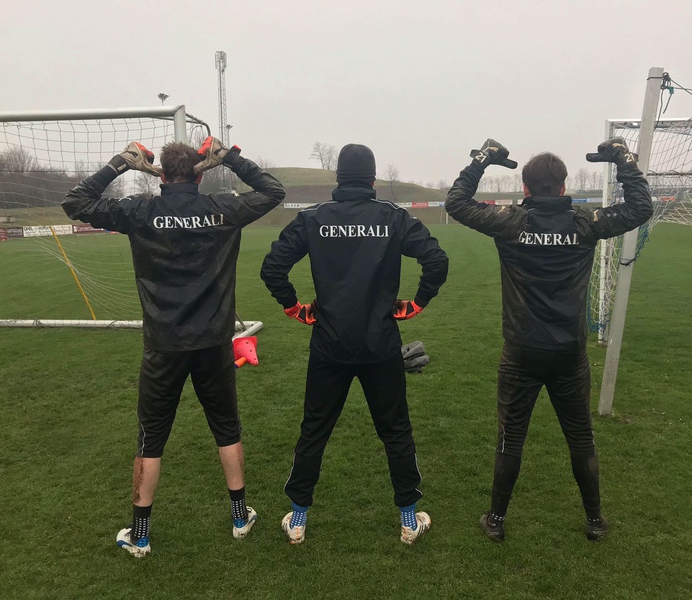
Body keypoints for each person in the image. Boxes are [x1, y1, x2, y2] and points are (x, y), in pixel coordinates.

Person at [62, 137, 286, 556]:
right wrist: (230, 158)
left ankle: (140, 536)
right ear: (199, 174)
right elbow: (274, 191)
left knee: (151, 439)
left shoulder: (141, 210)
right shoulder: (221, 208)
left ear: (161, 175)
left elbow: (75, 202)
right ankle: (240, 518)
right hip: (214, 342)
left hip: (163, 345)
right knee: (227, 428)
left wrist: (122, 163)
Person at [445, 137, 653, 542]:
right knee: (581, 438)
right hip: (568, 353)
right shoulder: (584, 223)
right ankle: (595, 521)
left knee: (510, 438)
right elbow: (640, 207)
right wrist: (623, 159)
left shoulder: (510, 221)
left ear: (525, 188)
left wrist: (482, 161)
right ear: (563, 187)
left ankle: (496, 521)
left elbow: (456, 202)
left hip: (521, 351)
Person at [260, 143, 449, 545]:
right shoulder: (393, 218)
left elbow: (272, 266)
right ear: (373, 180)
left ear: (338, 178)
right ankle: (409, 521)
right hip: (380, 345)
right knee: (395, 431)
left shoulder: (314, 218)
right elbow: (437, 259)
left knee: (314, 430)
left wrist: (294, 308)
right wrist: (417, 303)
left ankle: (298, 520)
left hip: (329, 345)